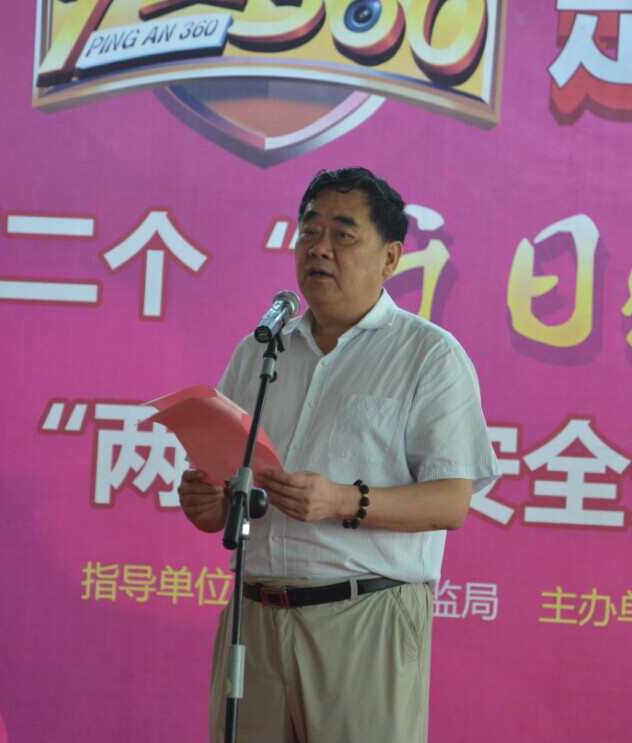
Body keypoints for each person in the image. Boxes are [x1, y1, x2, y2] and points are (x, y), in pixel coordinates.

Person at [178, 167, 499, 742]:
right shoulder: (260, 353)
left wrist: (341, 500)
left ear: (390, 257)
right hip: (254, 617)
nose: (319, 248)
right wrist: (207, 502)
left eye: (343, 235)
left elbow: (451, 501)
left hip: (364, 617)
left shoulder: (428, 356)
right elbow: (224, 498)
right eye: (309, 231)